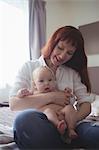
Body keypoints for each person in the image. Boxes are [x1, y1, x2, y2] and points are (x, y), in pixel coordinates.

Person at [9, 26, 99, 149]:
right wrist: (52, 97)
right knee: (23, 120)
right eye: (60, 48)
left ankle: (65, 140)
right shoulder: (29, 67)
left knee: (95, 134)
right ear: (53, 43)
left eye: (69, 53)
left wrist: (71, 121)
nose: (62, 56)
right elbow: (14, 104)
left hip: (71, 126)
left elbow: (86, 104)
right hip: (42, 124)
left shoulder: (71, 73)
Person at [17, 66, 78, 139]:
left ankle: (71, 129)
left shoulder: (55, 90)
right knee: (49, 111)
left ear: (54, 81)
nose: (47, 83)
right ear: (34, 85)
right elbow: (22, 99)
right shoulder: (34, 93)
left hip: (62, 113)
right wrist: (20, 93)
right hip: (47, 117)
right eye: (41, 81)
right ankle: (58, 125)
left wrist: (67, 91)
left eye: (50, 80)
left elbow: (66, 96)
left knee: (69, 108)